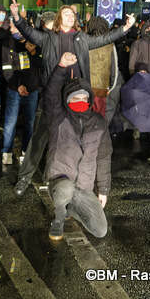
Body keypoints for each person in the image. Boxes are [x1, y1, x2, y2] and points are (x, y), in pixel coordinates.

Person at [10, 0, 134, 197]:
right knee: (41, 137)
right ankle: (24, 178)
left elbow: (104, 39)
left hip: (76, 95)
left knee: (72, 137)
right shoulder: (49, 38)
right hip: (52, 94)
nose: (70, 16)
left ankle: (63, 179)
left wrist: (126, 28)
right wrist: (16, 17)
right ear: (60, 19)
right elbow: (28, 32)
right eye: (66, 14)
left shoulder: (82, 38)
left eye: (72, 15)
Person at [44, 52, 110, 241]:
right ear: (67, 100)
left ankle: (71, 207)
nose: (79, 101)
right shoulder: (58, 117)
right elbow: (50, 94)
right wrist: (61, 67)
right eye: (74, 98)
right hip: (60, 181)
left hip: (84, 187)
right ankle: (58, 216)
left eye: (83, 98)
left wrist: (103, 189)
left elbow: (104, 157)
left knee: (100, 230)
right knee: (65, 189)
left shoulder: (98, 123)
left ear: (89, 100)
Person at [1, 20, 42, 165]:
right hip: (14, 90)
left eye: (15, 27)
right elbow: (7, 69)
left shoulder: (35, 42)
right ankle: (6, 152)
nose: (12, 30)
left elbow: (40, 66)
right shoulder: (8, 43)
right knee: (10, 122)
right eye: (11, 28)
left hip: (32, 89)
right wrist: (17, 85)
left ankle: (26, 151)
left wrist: (33, 52)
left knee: (30, 122)